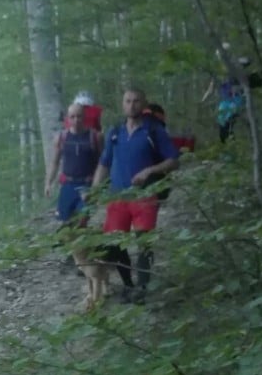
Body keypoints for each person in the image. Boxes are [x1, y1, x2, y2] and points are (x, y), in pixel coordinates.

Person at [90, 87, 180, 304]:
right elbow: (104, 164)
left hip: (145, 196)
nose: (132, 105)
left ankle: (142, 287)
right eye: (128, 101)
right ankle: (128, 285)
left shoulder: (154, 131)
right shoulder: (114, 133)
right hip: (117, 197)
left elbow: (173, 160)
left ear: (144, 104)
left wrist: (150, 171)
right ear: (123, 104)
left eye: (136, 101)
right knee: (114, 244)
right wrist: (93, 191)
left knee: (144, 243)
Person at [45, 102, 103, 228]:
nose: (76, 120)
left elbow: (102, 163)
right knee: (66, 223)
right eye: (72, 117)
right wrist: (49, 183)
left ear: (84, 117)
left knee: (81, 221)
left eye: (79, 116)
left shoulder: (95, 137)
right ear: (67, 118)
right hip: (68, 185)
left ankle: (82, 246)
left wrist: (97, 187)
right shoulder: (61, 137)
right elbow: (54, 162)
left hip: (87, 185)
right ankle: (74, 246)